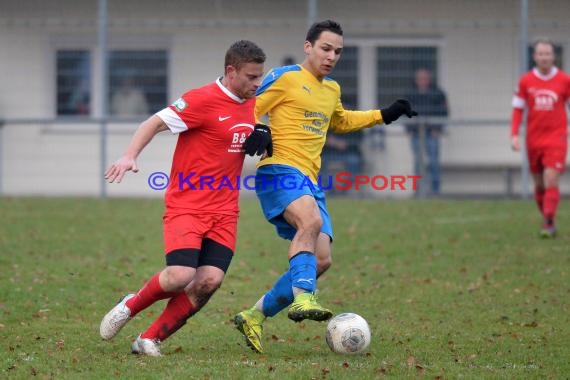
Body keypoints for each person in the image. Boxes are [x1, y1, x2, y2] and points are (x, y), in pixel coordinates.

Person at [233, 19, 417, 354]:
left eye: (338, 51)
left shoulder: (331, 89)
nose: (331, 56)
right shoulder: (285, 76)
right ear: (308, 47)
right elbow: (249, 104)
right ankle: (304, 298)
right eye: (325, 48)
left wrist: (384, 114)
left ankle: (253, 316)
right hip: (279, 169)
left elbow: (340, 121)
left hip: (309, 179)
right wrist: (258, 127)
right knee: (311, 223)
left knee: (321, 260)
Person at [99, 40, 271, 356]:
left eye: (260, 76)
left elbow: (269, 115)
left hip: (225, 210)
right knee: (180, 276)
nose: (257, 83)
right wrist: (129, 156)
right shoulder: (201, 100)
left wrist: (266, 129)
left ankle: (149, 339)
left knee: (208, 281)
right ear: (231, 71)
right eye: (251, 77)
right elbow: (152, 122)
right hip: (187, 205)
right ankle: (130, 305)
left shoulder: (256, 101)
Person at [511, 38, 570, 238]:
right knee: (539, 184)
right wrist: (514, 135)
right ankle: (548, 218)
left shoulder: (564, 80)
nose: (544, 57)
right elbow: (518, 110)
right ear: (535, 57)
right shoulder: (526, 81)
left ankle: (548, 222)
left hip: (557, 136)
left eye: (548, 54)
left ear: (554, 57)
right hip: (534, 138)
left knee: (551, 177)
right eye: (540, 54)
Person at [405, 68, 448, 196]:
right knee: (418, 162)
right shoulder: (410, 94)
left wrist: (438, 128)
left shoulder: (438, 94)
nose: (422, 81)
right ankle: (418, 190)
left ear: (429, 79)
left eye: (425, 78)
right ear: (416, 80)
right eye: (420, 78)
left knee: (434, 161)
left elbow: (444, 112)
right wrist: (410, 129)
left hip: (432, 133)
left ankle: (435, 190)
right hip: (416, 133)